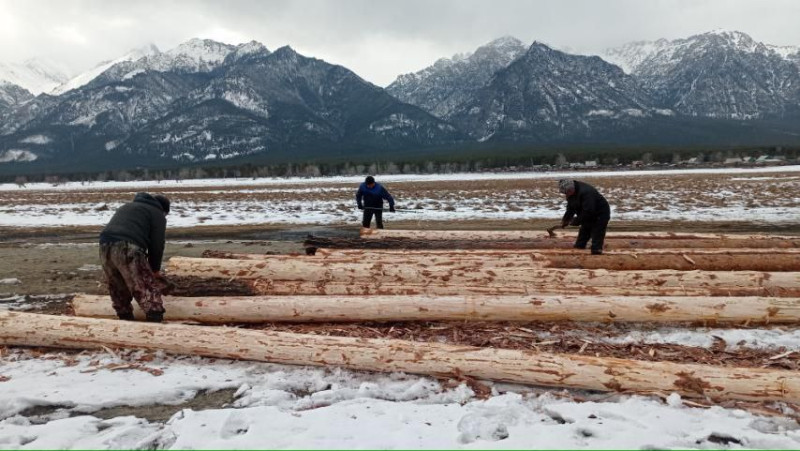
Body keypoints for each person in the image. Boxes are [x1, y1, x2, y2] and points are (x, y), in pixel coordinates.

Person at [98, 192, 170, 322]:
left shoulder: (129, 206)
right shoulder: (157, 213)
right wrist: (154, 270)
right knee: (144, 284)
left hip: (104, 245)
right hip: (128, 246)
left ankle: (125, 318)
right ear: (163, 210)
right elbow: (157, 244)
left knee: (117, 284)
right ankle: (155, 318)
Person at [558, 179, 611, 255]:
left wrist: (576, 221)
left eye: (568, 192)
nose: (567, 194)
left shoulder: (587, 192)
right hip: (586, 214)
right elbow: (570, 208)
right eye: (565, 193)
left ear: (572, 188)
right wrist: (566, 220)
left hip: (600, 214)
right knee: (581, 239)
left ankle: (597, 253)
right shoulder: (570, 193)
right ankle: (579, 251)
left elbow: (589, 211)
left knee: (597, 236)